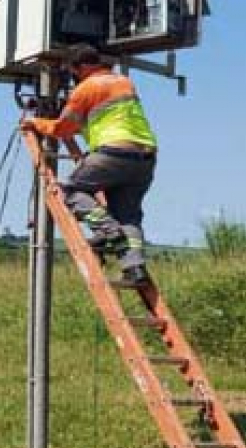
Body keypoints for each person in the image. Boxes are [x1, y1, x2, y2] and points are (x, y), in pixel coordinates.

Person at [22, 43, 158, 286]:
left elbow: (63, 129)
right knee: (128, 216)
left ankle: (108, 232)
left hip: (113, 152)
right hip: (145, 157)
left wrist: (36, 123)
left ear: (81, 66)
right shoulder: (123, 82)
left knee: (69, 191)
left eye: (74, 71)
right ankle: (135, 269)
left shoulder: (85, 89)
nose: (73, 77)